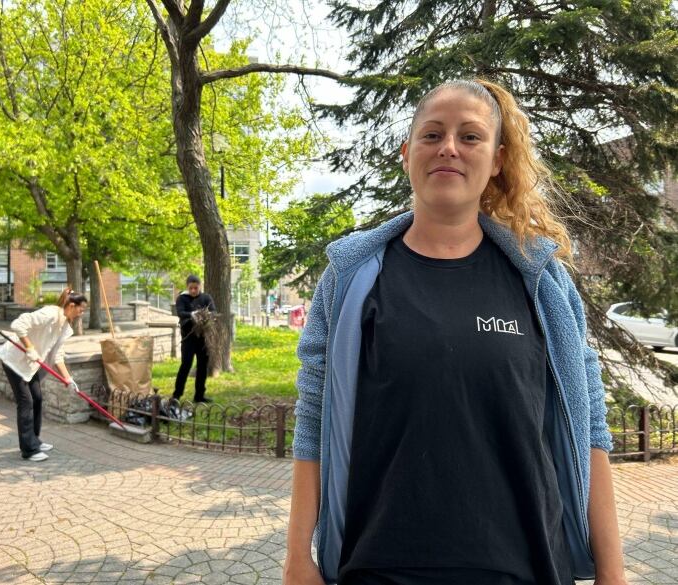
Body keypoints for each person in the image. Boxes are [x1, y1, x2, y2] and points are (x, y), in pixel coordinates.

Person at [284, 79, 627, 585]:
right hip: (380, 568)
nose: (449, 147)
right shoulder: (353, 276)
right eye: (432, 134)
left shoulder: (541, 281)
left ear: (497, 161)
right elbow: (313, 416)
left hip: (529, 568)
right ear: (407, 153)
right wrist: (297, 557)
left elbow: (590, 422)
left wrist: (613, 571)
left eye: (470, 136)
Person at [0, 288, 88, 462]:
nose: (81, 313)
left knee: (37, 398)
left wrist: (68, 378)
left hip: (30, 366)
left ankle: (35, 440)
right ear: (71, 305)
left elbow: (58, 355)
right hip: (15, 361)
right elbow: (18, 325)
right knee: (26, 402)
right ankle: (28, 449)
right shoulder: (50, 313)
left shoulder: (65, 327)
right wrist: (29, 348)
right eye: (81, 309)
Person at [173, 275, 216, 403]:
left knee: (202, 367)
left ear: (199, 286)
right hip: (188, 338)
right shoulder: (182, 298)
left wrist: (207, 315)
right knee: (186, 365)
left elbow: (214, 311)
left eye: (195, 288)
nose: (193, 291)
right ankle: (176, 395)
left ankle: (199, 396)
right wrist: (192, 314)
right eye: (191, 288)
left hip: (203, 338)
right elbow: (180, 313)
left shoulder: (206, 297)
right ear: (187, 287)